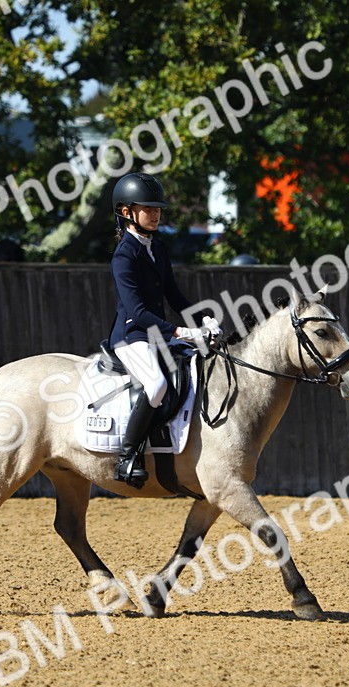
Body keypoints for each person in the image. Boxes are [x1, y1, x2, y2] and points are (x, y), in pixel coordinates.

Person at [106, 172, 219, 488]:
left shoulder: (158, 248)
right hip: (131, 336)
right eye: (148, 208)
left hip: (157, 334)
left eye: (157, 209)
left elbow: (175, 297)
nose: (155, 214)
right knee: (155, 384)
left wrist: (202, 322)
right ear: (126, 212)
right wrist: (181, 333)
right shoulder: (124, 255)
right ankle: (127, 457)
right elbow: (138, 313)